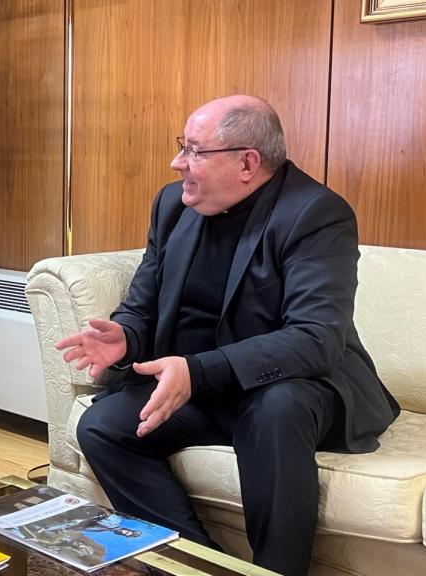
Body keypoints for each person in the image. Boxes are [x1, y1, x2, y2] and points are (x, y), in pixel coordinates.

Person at [56, 95, 400, 576]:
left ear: (247, 162)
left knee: (276, 409)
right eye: (182, 147)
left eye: (195, 151)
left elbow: (316, 338)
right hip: (201, 384)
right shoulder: (173, 206)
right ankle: (201, 564)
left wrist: (197, 371)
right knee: (104, 427)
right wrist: (127, 339)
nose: (179, 162)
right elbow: (143, 303)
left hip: (289, 383)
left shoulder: (315, 214)